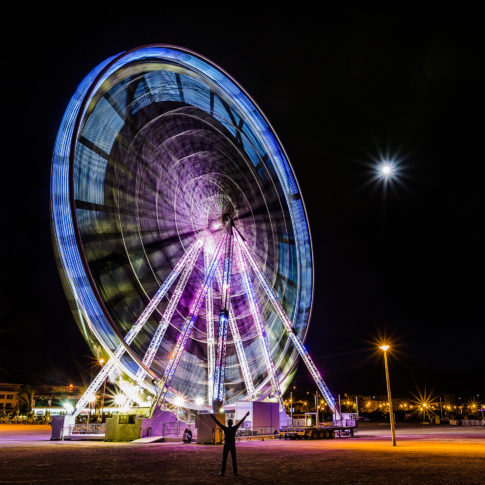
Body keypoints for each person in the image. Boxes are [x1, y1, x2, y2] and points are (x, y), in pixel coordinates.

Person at [210, 411, 250, 476]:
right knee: (234, 459)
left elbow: (218, 422)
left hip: (226, 445)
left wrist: (212, 417)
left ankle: (223, 472)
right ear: (232, 423)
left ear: (228, 423)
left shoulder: (225, 428)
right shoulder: (234, 428)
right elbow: (240, 422)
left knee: (224, 459)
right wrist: (245, 415)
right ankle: (235, 472)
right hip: (232, 446)